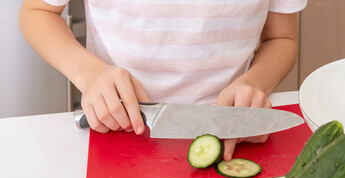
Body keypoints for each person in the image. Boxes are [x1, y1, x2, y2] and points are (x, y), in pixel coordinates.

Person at [19, 0, 307, 161]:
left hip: (231, 131)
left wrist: (255, 83)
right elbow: (37, 12)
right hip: (116, 129)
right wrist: (89, 73)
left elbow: (281, 38)